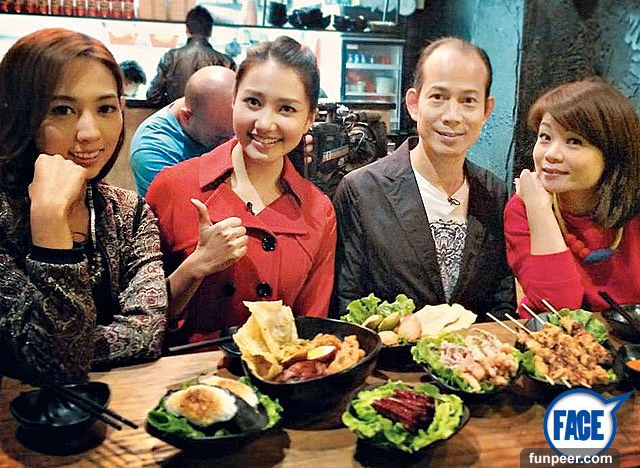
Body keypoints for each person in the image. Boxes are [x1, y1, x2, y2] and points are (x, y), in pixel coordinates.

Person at [0, 28, 167, 383]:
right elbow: (57, 368)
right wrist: (49, 222)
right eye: (62, 110)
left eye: (105, 108)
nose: (90, 133)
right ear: (18, 113)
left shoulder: (129, 212)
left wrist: (44, 351)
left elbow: (148, 333)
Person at [146, 36, 336, 344]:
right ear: (234, 98)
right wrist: (195, 267)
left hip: (279, 372)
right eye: (253, 102)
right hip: (188, 372)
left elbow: (312, 332)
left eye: (286, 109)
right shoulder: (173, 187)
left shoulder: (318, 210)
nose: (265, 123)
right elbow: (138, 322)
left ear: (308, 119)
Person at [332, 37, 516, 320]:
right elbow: (347, 306)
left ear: (486, 111)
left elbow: (501, 303)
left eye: (468, 101)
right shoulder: (362, 191)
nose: (452, 116)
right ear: (414, 103)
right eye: (438, 97)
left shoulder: (493, 192)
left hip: (474, 348)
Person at [505, 78, 640, 316]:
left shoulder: (634, 208)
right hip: (555, 337)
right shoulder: (524, 208)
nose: (551, 154)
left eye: (574, 141)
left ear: (613, 152)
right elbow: (557, 308)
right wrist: (540, 211)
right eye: (545, 137)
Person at [130, 66, 236, 196]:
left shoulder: (212, 116)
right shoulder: (152, 149)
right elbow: (187, 205)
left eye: (233, 133)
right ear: (187, 116)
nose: (230, 142)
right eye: (219, 137)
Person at [146, 5, 236, 108]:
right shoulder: (225, 62)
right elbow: (234, 100)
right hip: (213, 118)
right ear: (210, 31)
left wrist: (173, 106)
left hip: (176, 117)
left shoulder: (170, 58)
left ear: (187, 29)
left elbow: (153, 96)